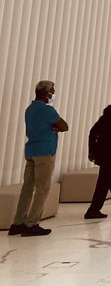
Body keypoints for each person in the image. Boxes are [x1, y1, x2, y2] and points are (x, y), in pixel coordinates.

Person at [10, 80, 68, 236]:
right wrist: (55, 127)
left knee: (27, 187)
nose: (53, 94)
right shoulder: (47, 110)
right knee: (42, 188)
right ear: (47, 93)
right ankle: (32, 223)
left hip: (31, 151)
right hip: (45, 151)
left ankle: (18, 222)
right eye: (53, 91)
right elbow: (64, 126)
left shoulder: (30, 109)